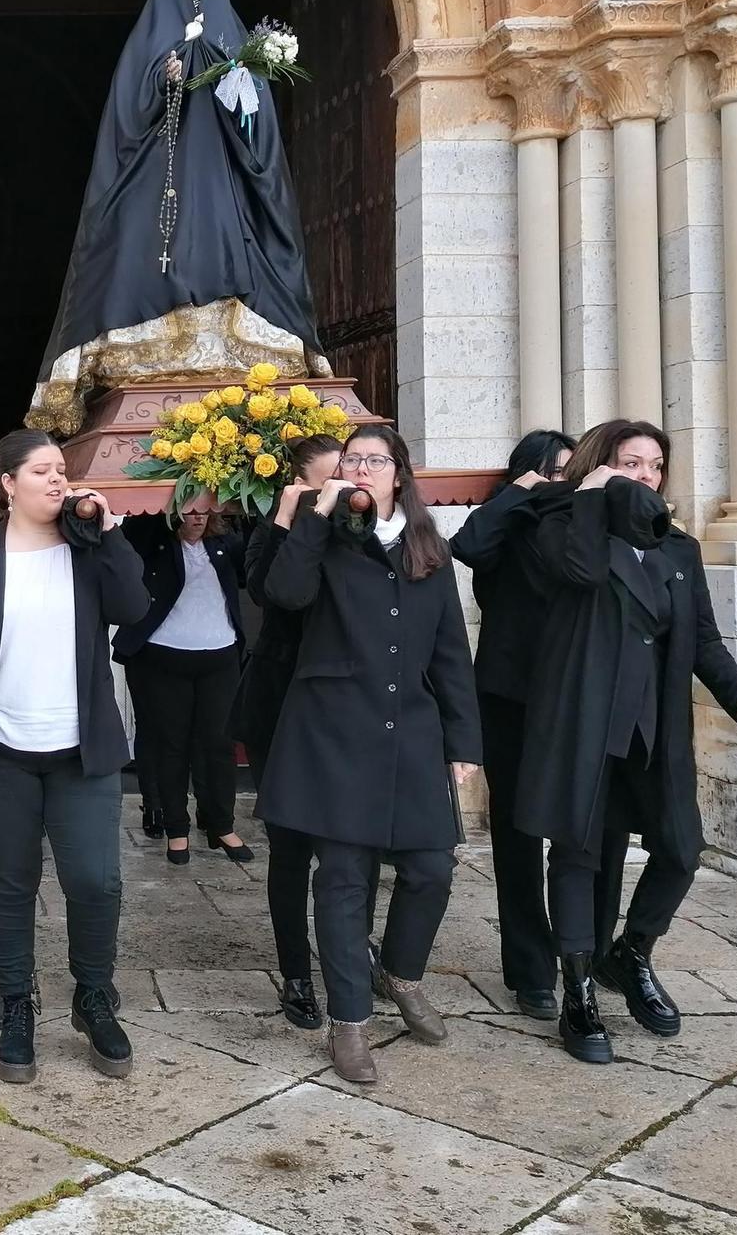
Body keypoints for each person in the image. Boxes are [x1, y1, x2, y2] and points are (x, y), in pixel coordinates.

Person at [514, 420, 737, 1064]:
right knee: (576, 854)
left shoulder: (679, 551)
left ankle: (631, 954)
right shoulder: (559, 525)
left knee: (682, 848)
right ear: (601, 466)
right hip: (584, 723)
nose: (645, 476)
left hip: (654, 730)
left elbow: (704, 638)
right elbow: (577, 572)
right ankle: (577, 991)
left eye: (655, 466)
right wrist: (588, 495)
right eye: (630, 463)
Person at [27, 0, 325, 434]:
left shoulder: (235, 38)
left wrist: (237, 80)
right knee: (139, 252)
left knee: (224, 245)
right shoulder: (146, 43)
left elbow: (258, 130)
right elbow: (125, 115)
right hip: (159, 181)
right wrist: (164, 76)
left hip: (221, 183)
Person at [259, 424, 481, 1084]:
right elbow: (284, 594)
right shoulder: (322, 540)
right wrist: (315, 513)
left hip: (410, 730)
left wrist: (463, 740)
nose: (362, 469)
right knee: (344, 878)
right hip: (333, 730)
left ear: (398, 474)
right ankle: (349, 1020)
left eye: (374, 460)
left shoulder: (428, 549)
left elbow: (449, 651)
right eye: (352, 461)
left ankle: (403, 973)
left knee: (431, 868)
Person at [0, 429, 150, 1083]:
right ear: (8, 484)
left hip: (82, 753)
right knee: (10, 885)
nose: (57, 480)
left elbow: (133, 607)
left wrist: (108, 532)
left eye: (62, 471)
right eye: (43, 471)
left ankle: (93, 996)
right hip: (0, 753)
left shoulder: (88, 549)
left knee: (95, 881)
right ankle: (18, 1002)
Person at [449, 428, 581, 1020]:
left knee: (578, 838)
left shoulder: (582, 523)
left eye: (572, 472)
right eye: (555, 471)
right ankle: (532, 972)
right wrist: (520, 491)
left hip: (574, 696)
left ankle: (581, 954)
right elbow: (469, 544)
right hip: (509, 697)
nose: (565, 482)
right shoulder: (505, 522)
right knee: (518, 838)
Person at [235, 433, 343, 1027]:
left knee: (346, 848)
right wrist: (284, 517)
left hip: (338, 707)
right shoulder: (275, 531)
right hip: (279, 703)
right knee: (291, 849)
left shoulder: (359, 534)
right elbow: (266, 592)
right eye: (326, 482)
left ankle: (348, 955)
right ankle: (296, 972)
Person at [113, 495, 251, 865]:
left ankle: (221, 824)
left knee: (219, 745)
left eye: (204, 510)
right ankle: (177, 828)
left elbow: (254, 562)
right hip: (163, 656)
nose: (197, 518)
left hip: (219, 655)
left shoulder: (226, 543)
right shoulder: (152, 540)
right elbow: (132, 530)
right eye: (189, 510)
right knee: (170, 746)